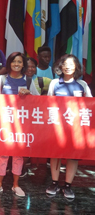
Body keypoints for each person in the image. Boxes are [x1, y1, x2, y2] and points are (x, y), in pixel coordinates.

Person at [0, 52, 39, 197]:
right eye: (13, 62)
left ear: (23, 64)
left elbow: (39, 101)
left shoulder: (28, 80)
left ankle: (16, 185)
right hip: (4, 122)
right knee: (2, 154)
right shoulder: (2, 79)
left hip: (21, 124)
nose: (16, 64)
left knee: (18, 155)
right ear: (9, 63)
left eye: (19, 62)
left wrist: (29, 94)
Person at [45, 54, 91, 199]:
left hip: (76, 128)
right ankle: (54, 183)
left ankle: (68, 186)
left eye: (71, 64)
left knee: (73, 156)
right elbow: (48, 103)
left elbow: (90, 106)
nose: (68, 67)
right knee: (55, 154)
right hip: (57, 127)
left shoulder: (82, 85)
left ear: (77, 67)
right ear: (61, 67)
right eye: (65, 64)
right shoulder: (54, 83)